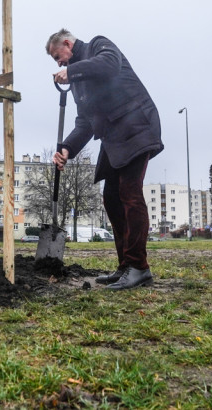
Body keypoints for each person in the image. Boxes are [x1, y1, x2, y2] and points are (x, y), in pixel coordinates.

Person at [47, 30, 163, 290]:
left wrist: (72, 72)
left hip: (136, 126)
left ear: (67, 43)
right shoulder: (78, 82)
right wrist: (67, 149)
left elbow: (110, 65)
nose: (58, 64)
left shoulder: (98, 46)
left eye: (58, 57)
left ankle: (139, 267)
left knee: (129, 192)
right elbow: (85, 122)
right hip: (113, 136)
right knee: (111, 198)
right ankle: (126, 267)